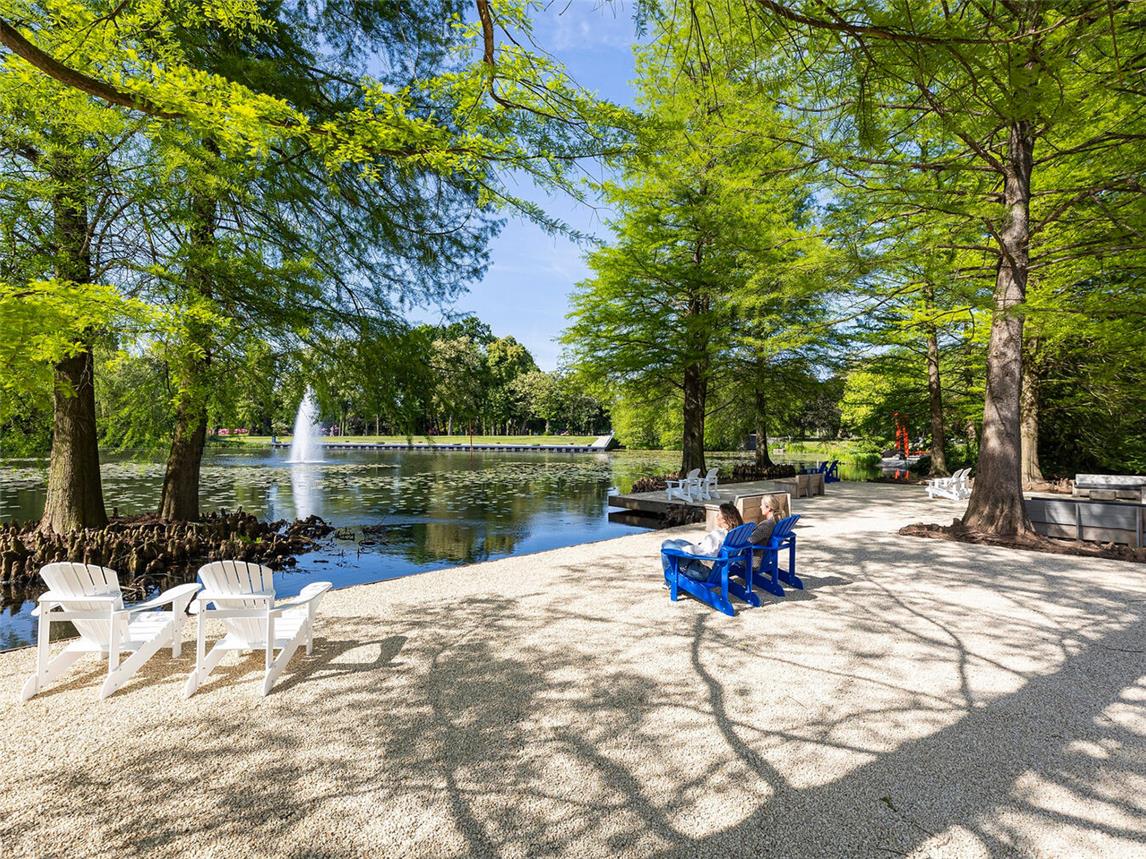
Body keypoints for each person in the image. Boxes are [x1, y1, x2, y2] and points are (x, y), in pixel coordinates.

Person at [661, 503, 744, 581]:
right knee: (678, 541)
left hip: (702, 571)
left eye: (718, 515)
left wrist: (684, 549)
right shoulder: (735, 534)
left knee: (666, 545)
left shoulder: (717, 535)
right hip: (716, 570)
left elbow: (704, 554)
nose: (716, 517)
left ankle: (670, 582)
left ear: (725, 519)